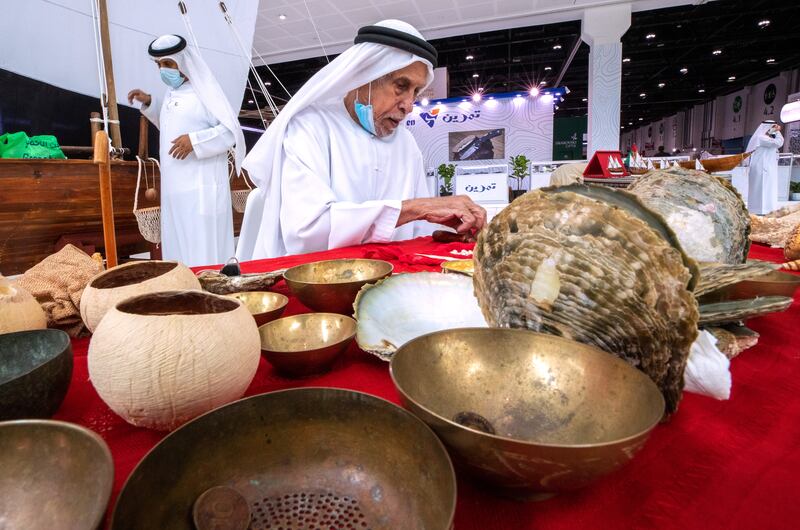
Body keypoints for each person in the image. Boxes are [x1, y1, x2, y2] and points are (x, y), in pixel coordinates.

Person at [236, 20, 486, 260]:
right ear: (364, 76)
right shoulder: (310, 127)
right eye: (401, 86)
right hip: (313, 282)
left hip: (390, 277)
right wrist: (418, 208)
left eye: (416, 92)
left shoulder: (406, 144)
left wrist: (454, 231)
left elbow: (418, 233)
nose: (409, 106)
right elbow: (308, 233)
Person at [127, 34, 245, 266]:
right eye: (159, 65)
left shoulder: (206, 93)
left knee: (203, 251)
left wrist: (195, 141)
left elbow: (231, 132)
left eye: (168, 64)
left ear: (183, 64)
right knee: (178, 248)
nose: (163, 70)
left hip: (202, 191)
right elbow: (174, 126)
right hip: (175, 190)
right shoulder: (173, 94)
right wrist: (151, 103)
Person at [746, 120, 784, 215]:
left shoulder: (765, 137)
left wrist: (773, 131)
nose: (775, 128)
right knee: (759, 188)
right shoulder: (761, 138)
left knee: (767, 188)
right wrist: (775, 130)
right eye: (773, 126)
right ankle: (759, 209)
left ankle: (767, 209)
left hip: (766, 167)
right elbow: (779, 142)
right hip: (761, 167)